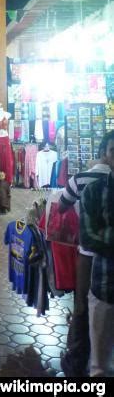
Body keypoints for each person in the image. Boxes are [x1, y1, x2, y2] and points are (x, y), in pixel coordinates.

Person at [59, 130, 114, 377]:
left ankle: (76, 361)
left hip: (87, 256)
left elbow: (61, 206)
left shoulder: (80, 180)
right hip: (99, 260)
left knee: (82, 308)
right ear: (105, 153)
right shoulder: (97, 189)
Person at [79, 133, 114, 377]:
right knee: (99, 367)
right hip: (105, 285)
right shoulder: (94, 191)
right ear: (106, 154)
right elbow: (89, 237)